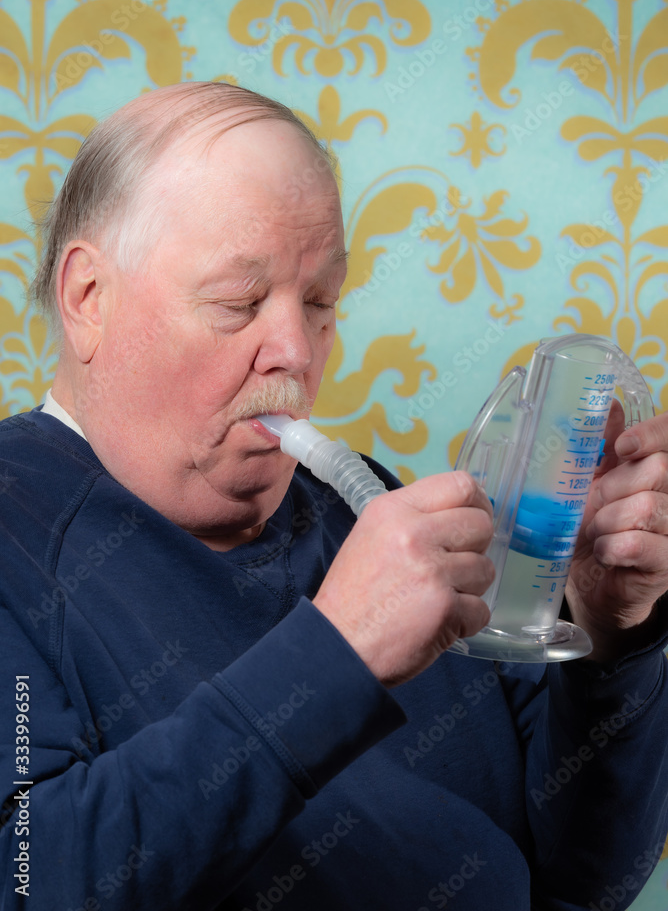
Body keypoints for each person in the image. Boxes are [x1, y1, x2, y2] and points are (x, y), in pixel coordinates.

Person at [0, 81, 667, 911]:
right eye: (239, 302)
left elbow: (587, 883)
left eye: (319, 302)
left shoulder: (368, 508)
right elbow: (27, 875)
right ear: (88, 300)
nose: (294, 351)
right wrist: (336, 655)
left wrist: (612, 641)